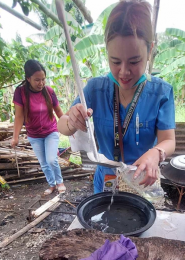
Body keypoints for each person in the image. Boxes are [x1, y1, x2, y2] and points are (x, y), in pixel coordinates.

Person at [58, 0, 176, 194]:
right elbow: (61, 125)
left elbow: (168, 140)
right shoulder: (95, 89)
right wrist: (72, 120)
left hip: (142, 178)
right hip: (106, 178)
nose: (124, 72)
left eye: (134, 61)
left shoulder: (161, 92)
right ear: (107, 53)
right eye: (115, 61)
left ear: (150, 49)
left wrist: (156, 153)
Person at [11, 60, 66, 195]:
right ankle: (51, 185)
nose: (41, 83)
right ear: (28, 78)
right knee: (43, 163)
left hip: (50, 131)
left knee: (51, 159)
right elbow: (19, 117)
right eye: (37, 80)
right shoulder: (20, 92)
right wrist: (15, 137)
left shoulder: (49, 91)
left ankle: (60, 182)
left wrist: (68, 127)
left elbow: (58, 111)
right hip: (34, 134)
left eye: (43, 79)